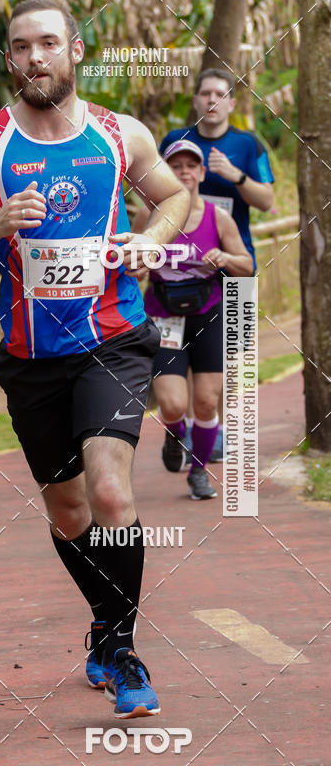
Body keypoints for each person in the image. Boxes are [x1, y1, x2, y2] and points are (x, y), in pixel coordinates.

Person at [0, 0, 190, 718]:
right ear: (9, 58)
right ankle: (106, 626)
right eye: (21, 46)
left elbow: (174, 198)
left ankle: (125, 651)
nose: (35, 57)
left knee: (109, 492)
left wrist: (150, 240)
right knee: (70, 511)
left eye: (48, 43)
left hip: (113, 340)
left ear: (75, 50)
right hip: (31, 358)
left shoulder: (118, 133)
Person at [160, 68, 274, 462]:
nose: (212, 100)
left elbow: (266, 201)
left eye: (219, 94)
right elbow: (154, 192)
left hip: (234, 266)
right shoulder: (176, 142)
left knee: (230, 359)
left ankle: (219, 431)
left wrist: (235, 175)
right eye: (205, 93)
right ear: (195, 101)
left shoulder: (247, 143)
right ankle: (195, 429)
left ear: (231, 103)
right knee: (190, 358)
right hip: (180, 272)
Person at [133, 140, 253, 498]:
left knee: (206, 400)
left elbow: (247, 266)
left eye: (191, 166)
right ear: (166, 172)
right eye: (176, 166)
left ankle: (198, 472)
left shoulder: (219, 218)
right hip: (163, 314)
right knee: (171, 404)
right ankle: (174, 436)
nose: (184, 172)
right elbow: (129, 268)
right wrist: (139, 267)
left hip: (208, 314)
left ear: (201, 173)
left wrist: (226, 259)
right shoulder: (149, 216)